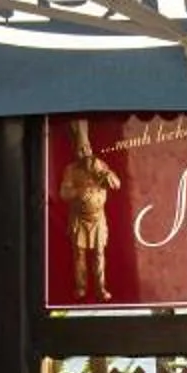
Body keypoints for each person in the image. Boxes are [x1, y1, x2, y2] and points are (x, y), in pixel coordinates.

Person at [58, 119, 123, 302]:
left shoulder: (99, 165)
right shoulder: (70, 170)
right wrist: (79, 192)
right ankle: (81, 287)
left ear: (90, 148)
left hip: (97, 218)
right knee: (79, 254)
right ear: (76, 151)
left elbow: (116, 184)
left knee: (99, 253)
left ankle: (101, 287)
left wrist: (105, 174)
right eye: (80, 150)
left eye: (86, 149)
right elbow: (63, 193)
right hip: (79, 219)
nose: (84, 153)